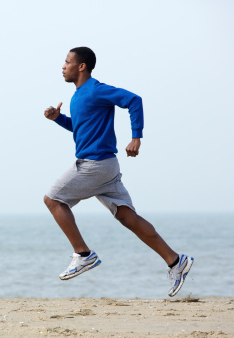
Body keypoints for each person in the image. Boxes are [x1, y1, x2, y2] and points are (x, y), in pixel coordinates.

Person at [43, 47, 193, 297]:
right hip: (106, 166)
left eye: (67, 62)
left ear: (81, 66)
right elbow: (82, 129)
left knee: (53, 200)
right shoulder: (78, 95)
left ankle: (83, 254)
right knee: (128, 218)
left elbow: (134, 100)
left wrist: (136, 137)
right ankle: (176, 261)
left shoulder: (96, 89)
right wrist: (59, 119)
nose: (63, 66)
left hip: (95, 164)